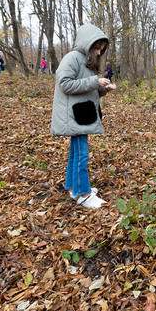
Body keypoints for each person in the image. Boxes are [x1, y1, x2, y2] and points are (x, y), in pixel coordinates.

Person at [50, 24, 116, 209]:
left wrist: (103, 88)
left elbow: (87, 89)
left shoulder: (87, 61)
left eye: (101, 49)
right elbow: (65, 84)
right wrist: (95, 81)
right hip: (74, 115)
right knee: (81, 154)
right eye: (96, 47)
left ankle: (73, 187)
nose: (98, 52)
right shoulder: (72, 58)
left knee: (75, 153)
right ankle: (83, 194)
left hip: (82, 113)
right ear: (88, 43)